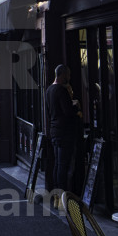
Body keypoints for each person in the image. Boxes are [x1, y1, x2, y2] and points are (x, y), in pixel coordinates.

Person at [44, 64, 79, 195]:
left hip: (54, 130)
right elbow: (68, 112)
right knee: (63, 165)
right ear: (63, 75)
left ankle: (57, 195)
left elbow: (48, 111)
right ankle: (63, 196)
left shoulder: (49, 90)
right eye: (68, 75)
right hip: (64, 132)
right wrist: (75, 106)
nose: (69, 78)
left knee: (57, 164)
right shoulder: (61, 90)